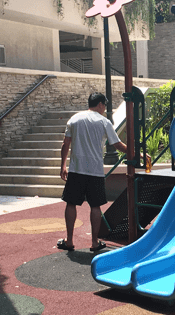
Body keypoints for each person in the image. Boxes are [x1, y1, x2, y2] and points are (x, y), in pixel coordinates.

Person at [57, 92, 137, 252]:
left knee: (71, 203)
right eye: (104, 105)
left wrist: (63, 166)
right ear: (100, 104)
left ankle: (70, 241)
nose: (104, 108)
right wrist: (137, 153)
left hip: (76, 169)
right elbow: (118, 145)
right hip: (95, 171)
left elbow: (65, 144)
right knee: (95, 206)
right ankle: (94, 242)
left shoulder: (75, 119)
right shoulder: (104, 122)